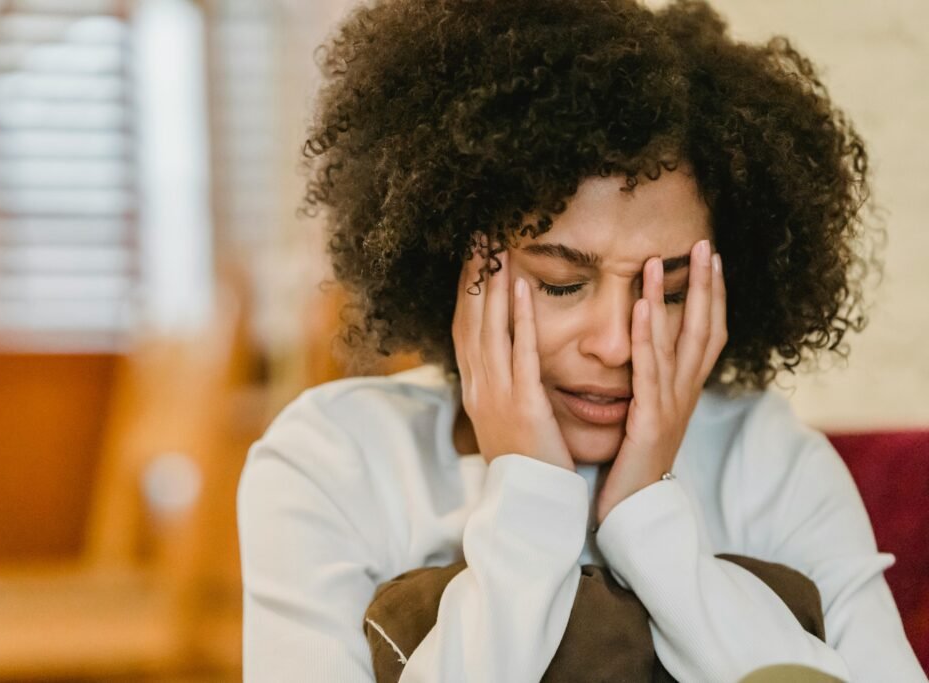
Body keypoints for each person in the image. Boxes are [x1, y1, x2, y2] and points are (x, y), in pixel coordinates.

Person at [237, 0, 926, 680]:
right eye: (562, 282)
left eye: (670, 291)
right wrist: (530, 498)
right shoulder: (331, 464)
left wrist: (648, 512)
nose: (616, 344)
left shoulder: (768, 459)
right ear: (454, 263)